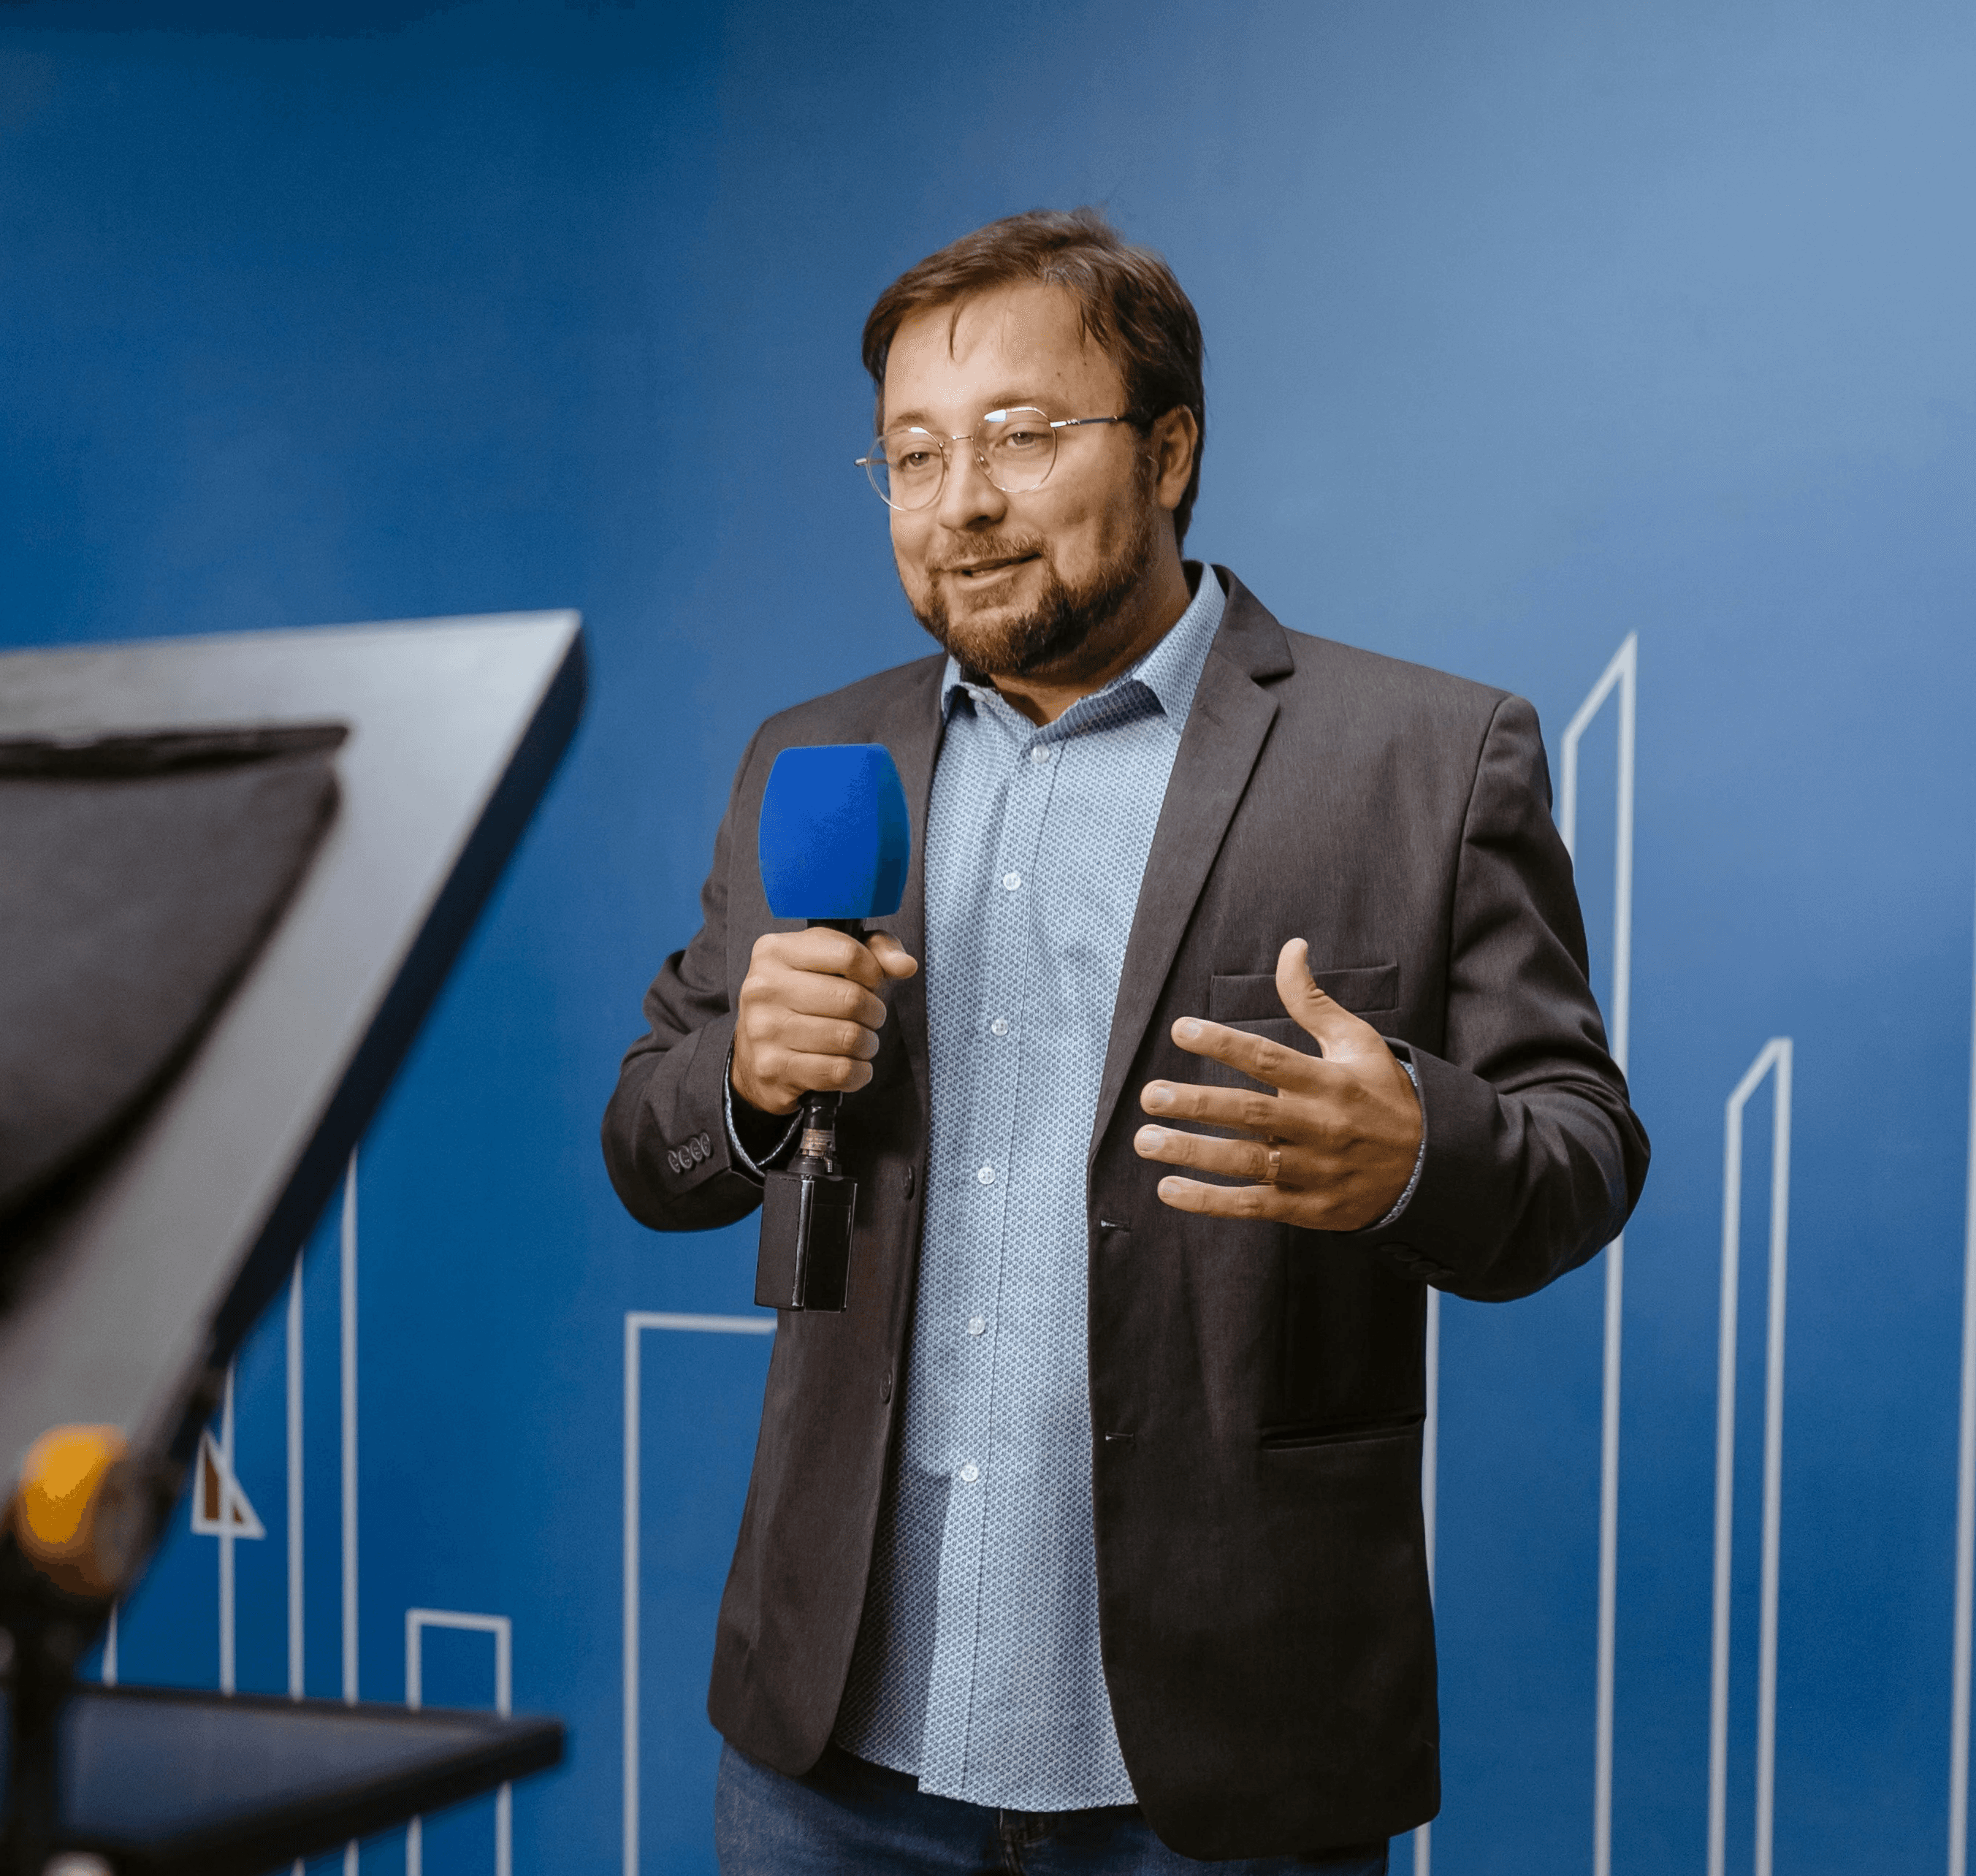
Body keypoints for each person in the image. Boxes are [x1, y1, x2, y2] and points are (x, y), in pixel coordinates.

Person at [598, 208, 1646, 1872]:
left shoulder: (1427, 758)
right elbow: (650, 1142)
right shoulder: (813, 757)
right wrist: (738, 1083)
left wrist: (1411, 1156)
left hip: (1226, 1752)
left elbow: (1581, 1146)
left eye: (1020, 437)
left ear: (1170, 450)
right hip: (828, 1757)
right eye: (912, 456)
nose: (963, 502)